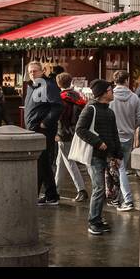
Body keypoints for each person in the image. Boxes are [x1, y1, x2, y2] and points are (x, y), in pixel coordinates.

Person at [76, 79, 123, 237]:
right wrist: (98, 143)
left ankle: (98, 217)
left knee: (102, 189)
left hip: (107, 155)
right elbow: (80, 129)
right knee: (99, 188)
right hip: (95, 155)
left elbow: (114, 134)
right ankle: (93, 221)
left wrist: (117, 155)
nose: (113, 92)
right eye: (110, 89)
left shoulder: (109, 111)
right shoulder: (90, 109)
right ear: (103, 93)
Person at [23, 62, 63, 206]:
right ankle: (50, 194)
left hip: (43, 130)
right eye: (30, 71)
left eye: (35, 71)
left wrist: (45, 123)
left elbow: (58, 106)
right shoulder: (31, 86)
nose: (32, 73)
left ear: (42, 71)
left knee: (42, 161)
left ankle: (46, 194)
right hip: (33, 129)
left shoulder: (48, 85)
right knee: (41, 162)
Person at [108, 70, 140, 212]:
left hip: (112, 136)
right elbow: (139, 118)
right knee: (121, 167)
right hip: (128, 136)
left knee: (118, 168)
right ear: (127, 80)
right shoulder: (134, 97)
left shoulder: (109, 97)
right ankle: (118, 198)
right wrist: (130, 127)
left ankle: (127, 200)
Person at [54, 73, 89, 202]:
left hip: (63, 133)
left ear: (58, 84)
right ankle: (55, 190)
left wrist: (57, 133)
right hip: (75, 131)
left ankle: (81, 189)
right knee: (60, 163)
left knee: (69, 162)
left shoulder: (61, 98)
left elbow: (60, 118)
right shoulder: (77, 96)